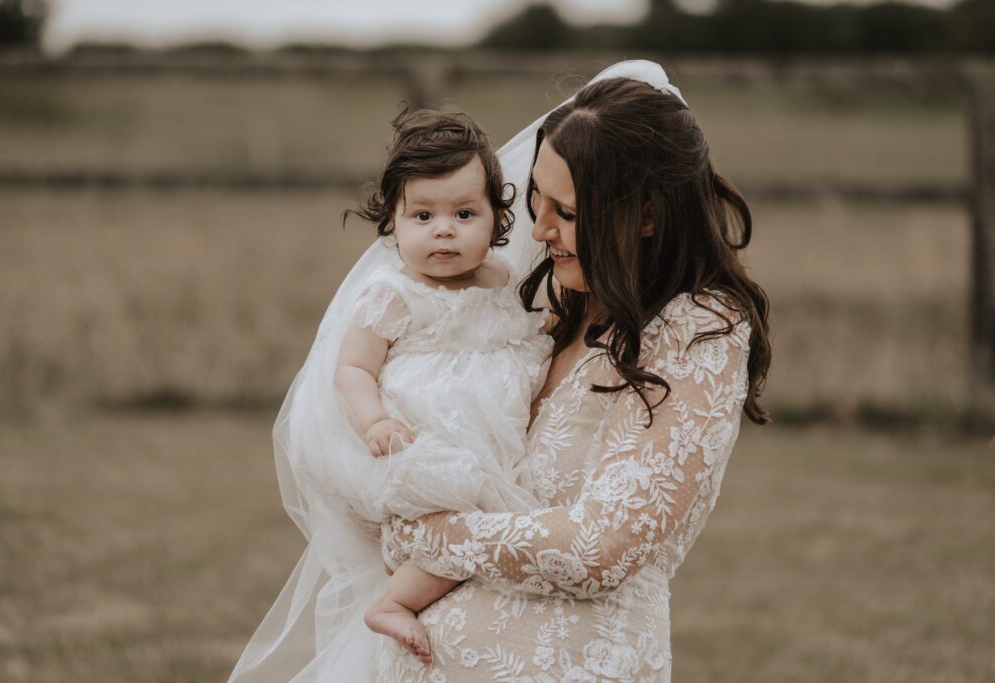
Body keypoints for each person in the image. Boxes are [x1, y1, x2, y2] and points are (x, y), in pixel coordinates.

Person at [228, 60, 770, 683]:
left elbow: (603, 547)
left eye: (565, 212)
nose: (538, 231)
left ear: (645, 216)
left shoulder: (700, 328)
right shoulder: (553, 305)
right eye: (537, 202)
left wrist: (424, 536)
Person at [333, 108, 551, 663]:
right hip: (430, 438)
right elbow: (353, 368)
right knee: (451, 515)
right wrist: (374, 420)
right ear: (394, 222)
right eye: (423, 215)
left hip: (492, 434)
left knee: (491, 519)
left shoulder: (504, 281)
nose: (444, 229)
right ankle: (393, 603)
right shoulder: (393, 293)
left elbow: (520, 338)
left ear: (498, 218)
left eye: (463, 213)